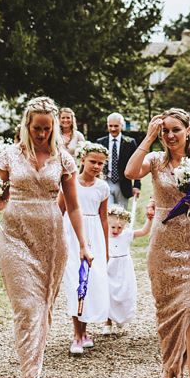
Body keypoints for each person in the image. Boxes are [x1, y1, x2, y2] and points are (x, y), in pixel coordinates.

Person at [0, 96, 93, 378]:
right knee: (26, 308)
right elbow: (1, 198)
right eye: (36, 128)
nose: (41, 134)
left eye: (46, 129)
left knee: (42, 309)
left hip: (51, 242)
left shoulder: (64, 158)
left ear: (54, 127)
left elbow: (73, 207)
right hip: (14, 237)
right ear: (26, 125)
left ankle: (34, 372)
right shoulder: (9, 156)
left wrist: (84, 245)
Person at [124, 108, 190, 378]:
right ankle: (169, 366)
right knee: (167, 311)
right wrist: (148, 137)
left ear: (188, 130)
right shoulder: (155, 161)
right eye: (164, 131)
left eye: (175, 129)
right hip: (162, 243)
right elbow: (129, 172)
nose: (170, 135)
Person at [58, 140, 111, 354]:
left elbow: (104, 218)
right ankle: (76, 335)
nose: (96, 167)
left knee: (90, 283)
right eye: (92, 162)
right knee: (74, 283)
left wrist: (106, 248)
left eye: (100, 164)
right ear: (82, 160)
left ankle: (85, 330)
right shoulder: (71, 183)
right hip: (72, 233)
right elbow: (60, 211)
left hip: (94, 236)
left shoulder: (103, 188)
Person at [104, 199, 154, 334]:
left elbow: (143, 231)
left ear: (124, 226)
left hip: (123, 268)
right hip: (110, 268)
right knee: (109, 293)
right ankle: (107, 322)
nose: (116, 230)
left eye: (119, 227)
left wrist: (149, 219)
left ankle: (120, 317)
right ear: (107, 224)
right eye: (113, 227)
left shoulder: (126, 235)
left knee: (123, 292)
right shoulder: (104, 236)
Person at [96, 111, 141, 210]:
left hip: (123, 184)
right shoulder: (100, 142)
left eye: (116, 126)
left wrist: (137, 185)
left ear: (122, 125)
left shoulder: (130, 143)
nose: (113, 129)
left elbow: (137, 164)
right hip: (106, 182)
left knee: (121, 215)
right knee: (108, 213)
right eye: (110, 126)